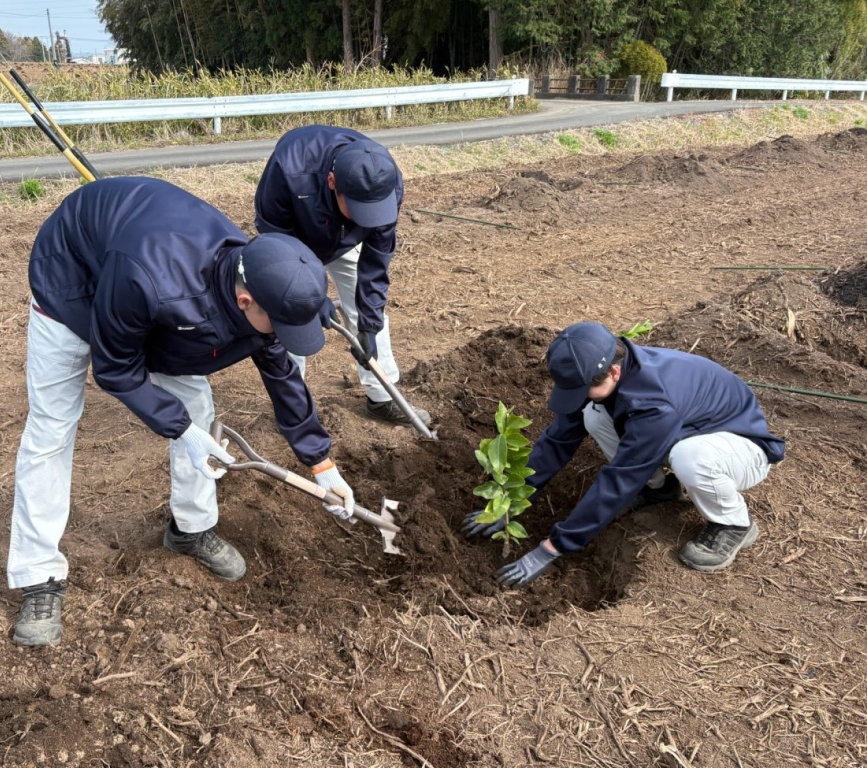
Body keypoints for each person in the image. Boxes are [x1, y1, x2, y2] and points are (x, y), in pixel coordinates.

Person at [9, 177, 358, 647]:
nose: (279, 336)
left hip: (146, 296)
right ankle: (39, 576)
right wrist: (181, 431)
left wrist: (322, 465)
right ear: (245, 300)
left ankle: (191, 530)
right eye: (278, 325)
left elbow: (281, 375)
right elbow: (114, 369)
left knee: (197, 405)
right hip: (72, 280)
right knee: (53, 425)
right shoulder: (152, 278)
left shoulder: (264, 277)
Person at [464, 322, 785, 586]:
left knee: (691, 458)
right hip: (689, 428)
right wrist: (510, 500)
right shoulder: (609, 370)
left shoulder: (653, 403)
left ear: (614, 373)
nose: (576, 396)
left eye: (582, 389)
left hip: (741, 447)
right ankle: (660, 490)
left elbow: (619, 479)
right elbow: (558, 441)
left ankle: (734, 524)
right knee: (593, 413)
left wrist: (552, 547)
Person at [254, 124, 431, 427]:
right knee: (290, 313)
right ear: (333, 182)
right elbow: (274, 238)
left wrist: (370, 326)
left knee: (368, 314)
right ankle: (292, 406)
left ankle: (382, 396)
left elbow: (376, 263)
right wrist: (312, 295)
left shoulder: (385, 182)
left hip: (345, 238)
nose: (370, 215)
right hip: (293, 238)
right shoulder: (288, 170)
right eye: (360, 208)